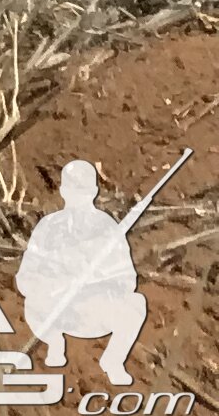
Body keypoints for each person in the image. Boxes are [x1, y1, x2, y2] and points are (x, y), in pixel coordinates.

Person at [17, 159, 148, 383]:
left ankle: (113, 361)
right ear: (63, 191)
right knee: (32, 303)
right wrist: (56, 282)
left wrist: (100, 280)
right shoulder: (48, 227)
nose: (79, 196)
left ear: (94, 191)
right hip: (56, 310)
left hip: (94, 311)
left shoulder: (107, 228)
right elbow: (25, 278)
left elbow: (128, 280)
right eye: (74, 189)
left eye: (84, 190)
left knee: (136, 304)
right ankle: (55, 344)